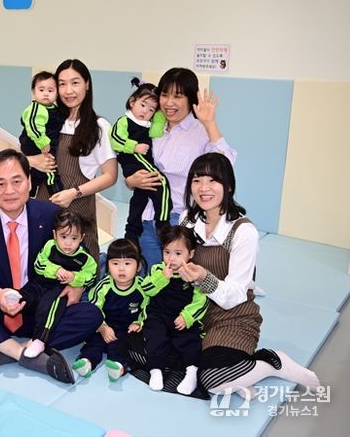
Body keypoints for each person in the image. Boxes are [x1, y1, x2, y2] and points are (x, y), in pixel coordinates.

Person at [125, 153, 320, 398]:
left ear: (228, 186)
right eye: (197, 180)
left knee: (212, 380)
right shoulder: (188, 220)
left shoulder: (243, 231)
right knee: (137, 346)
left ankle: (271, 363)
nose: (203, 188)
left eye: (212, 180)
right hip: (189, 313)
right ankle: (238, 376)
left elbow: (235, 295)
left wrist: (203, 277)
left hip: (230, 316)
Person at [0, 149, 103, 384]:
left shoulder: (50, 215)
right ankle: (21, 352)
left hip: (40, 309)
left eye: (17, 181)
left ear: (29, 181)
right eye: (0, 183)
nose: (9, 190)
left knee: (91, 315)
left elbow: (83, 257)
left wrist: (77, 286)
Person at [124, 68, 236, 270]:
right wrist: (131, 181)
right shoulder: (151, 127)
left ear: (190, 98)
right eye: (164, 95)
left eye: (177, 96)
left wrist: (209, 122)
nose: (169, 103)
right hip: (144, 216)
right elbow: (133, 162)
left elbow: (224, 165)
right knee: (150, 277)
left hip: (179, 220)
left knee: (176, 281)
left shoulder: (199, 130)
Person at [29, 59, 118, 262]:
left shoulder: (99, 126)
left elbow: (110, 176)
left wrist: (74, 193)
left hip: (79, 209)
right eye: (62, 84)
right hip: (44, 207)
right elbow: (22, 158)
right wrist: (34, 161)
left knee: (81, 269)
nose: (68, 90)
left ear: (87, 84)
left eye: (75, 83)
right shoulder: (45, 121)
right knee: (43, 265)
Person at [21, 208, 97, 359]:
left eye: (74, 238)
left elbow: (91, 277)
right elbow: (39, 265)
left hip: (59, 290)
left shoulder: (84, 258)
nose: (68, 243)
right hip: (40, 283)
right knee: (24, 296)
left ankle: (39, 340)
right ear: (55, 234)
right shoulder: (50, 246)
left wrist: (74, 277)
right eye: (63, 237)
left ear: (81, 238)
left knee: (50, 308)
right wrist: (55, 270)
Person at [140, 225, 207, 395]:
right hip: (158, 316)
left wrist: (187, 316)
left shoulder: (193, 274)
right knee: (155, 336)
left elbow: (202, 301)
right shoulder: (157, 269)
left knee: (190, 339)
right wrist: (162, 278)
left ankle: (191, 373)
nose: (171, 258)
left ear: (190, 254)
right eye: (167, 252)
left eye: (178, 253)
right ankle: (156, 371)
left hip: (181, 318)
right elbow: (146, 289)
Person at [72, 238, 147, 382]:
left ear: (138, 266)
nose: (121, 269)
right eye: (115, 263)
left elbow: (148, 307)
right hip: (104, 325)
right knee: (94, 342)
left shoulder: (143, 287)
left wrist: (138, 322)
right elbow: (94, 308)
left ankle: (118, 366)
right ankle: (87, 361)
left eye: (127, 263)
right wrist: (102, 327)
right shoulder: (104, 285)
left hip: (126, 329)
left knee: (123, 345)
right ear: (107, 266)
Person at [109, 78, 171, 241]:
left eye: (151, 109)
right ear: (132, 102)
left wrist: (159, 110)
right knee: (161, 182)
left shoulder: (146, 124)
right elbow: (115, 138)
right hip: (135, 159)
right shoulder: (125, 120)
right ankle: (163, 224)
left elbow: (157, 131)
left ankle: (132, 232)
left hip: (142, 161)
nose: (145, 111)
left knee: (140, 196)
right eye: (143, 105)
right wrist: (134, 147)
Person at [19, 71, 65, 196]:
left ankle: (31, 191)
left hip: (47, 144)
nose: (46, 93)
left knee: (35, 172)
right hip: (35, 144)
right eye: (41, 90)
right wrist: (43, 142)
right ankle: (56, 192)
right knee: (50, 168)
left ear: (57, 93)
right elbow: (33, 126)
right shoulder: (36, 108)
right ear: (34, 92)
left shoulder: (54, 109)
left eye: (50, 90)